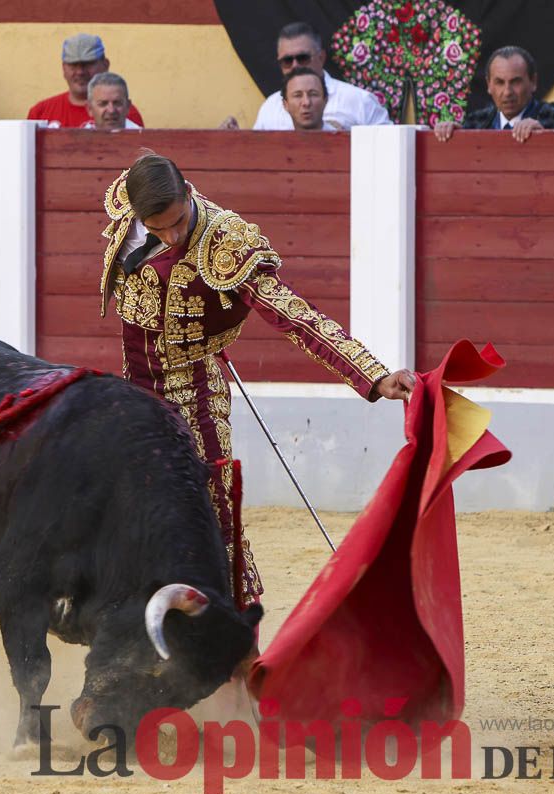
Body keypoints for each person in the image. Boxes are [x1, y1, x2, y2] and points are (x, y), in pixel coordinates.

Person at [98, 153, 413, 608]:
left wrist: (373, 374)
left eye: (178, 223)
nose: (171, 236)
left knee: (217, 518)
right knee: (132, 506)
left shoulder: (224, 240)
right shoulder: (132, 207)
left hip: (195, 395)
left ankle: (239, 641)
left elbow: (294, 315)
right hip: (135, 392)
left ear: (190, 195)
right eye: (157, 228)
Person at [233, 22, 388, 131]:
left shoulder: (360, 101)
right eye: (287, 61)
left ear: (321, 58)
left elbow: (390, 150)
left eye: (302, 58)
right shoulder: (271, 106)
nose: (295, 66)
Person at [434, 46, 554, 143]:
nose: (507, 92)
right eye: (499, 82)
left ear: (533, 82)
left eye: (515, 82)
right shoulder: (474, 124)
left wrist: (547, 137)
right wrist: (452, 137)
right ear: (489, 85)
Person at [27, 34, 144, 129]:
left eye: (87, 64)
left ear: (105, 65)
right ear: (63, 68)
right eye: (73, 65)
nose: (80, 72)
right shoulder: (40, 113)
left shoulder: (125, 114)